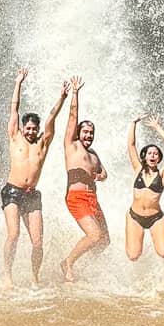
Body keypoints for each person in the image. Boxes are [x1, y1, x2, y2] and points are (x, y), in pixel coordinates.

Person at [2, 67, 69, 288]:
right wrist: (18, 82)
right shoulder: (15, 138)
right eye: (28, 128)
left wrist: (62, 97)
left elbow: (52, 117)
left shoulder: (42, 143)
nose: (31, 131)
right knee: (14, 235)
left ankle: (34, 276)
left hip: (32, 195)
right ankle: (7, 276)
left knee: (38, 242)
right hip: (12, 192)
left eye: (34, 128)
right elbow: (14, 109)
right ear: (23, 128)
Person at [59, 75, 109, 282]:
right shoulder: (73, 145)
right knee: (95, 236)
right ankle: (68, 262)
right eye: (85, 132)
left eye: (91, 133)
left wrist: (102, 175)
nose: (88, 136)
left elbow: (104, 173)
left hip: (92, 199)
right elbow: (72, 117)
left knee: (104, 240)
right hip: (76, 197)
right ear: (79, 133)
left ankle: (85, 264)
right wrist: (75, 94)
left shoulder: (94, 154)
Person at [125, 116, 164, 262]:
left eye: (156, 154)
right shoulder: (137, 169)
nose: (153, 155)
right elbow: (131, 145)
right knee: (133, 256)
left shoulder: (163, 173)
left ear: (159, 158)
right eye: (150, 153)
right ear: (145, 157)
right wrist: (133, 123)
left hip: (156, 218)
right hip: (135, 217)